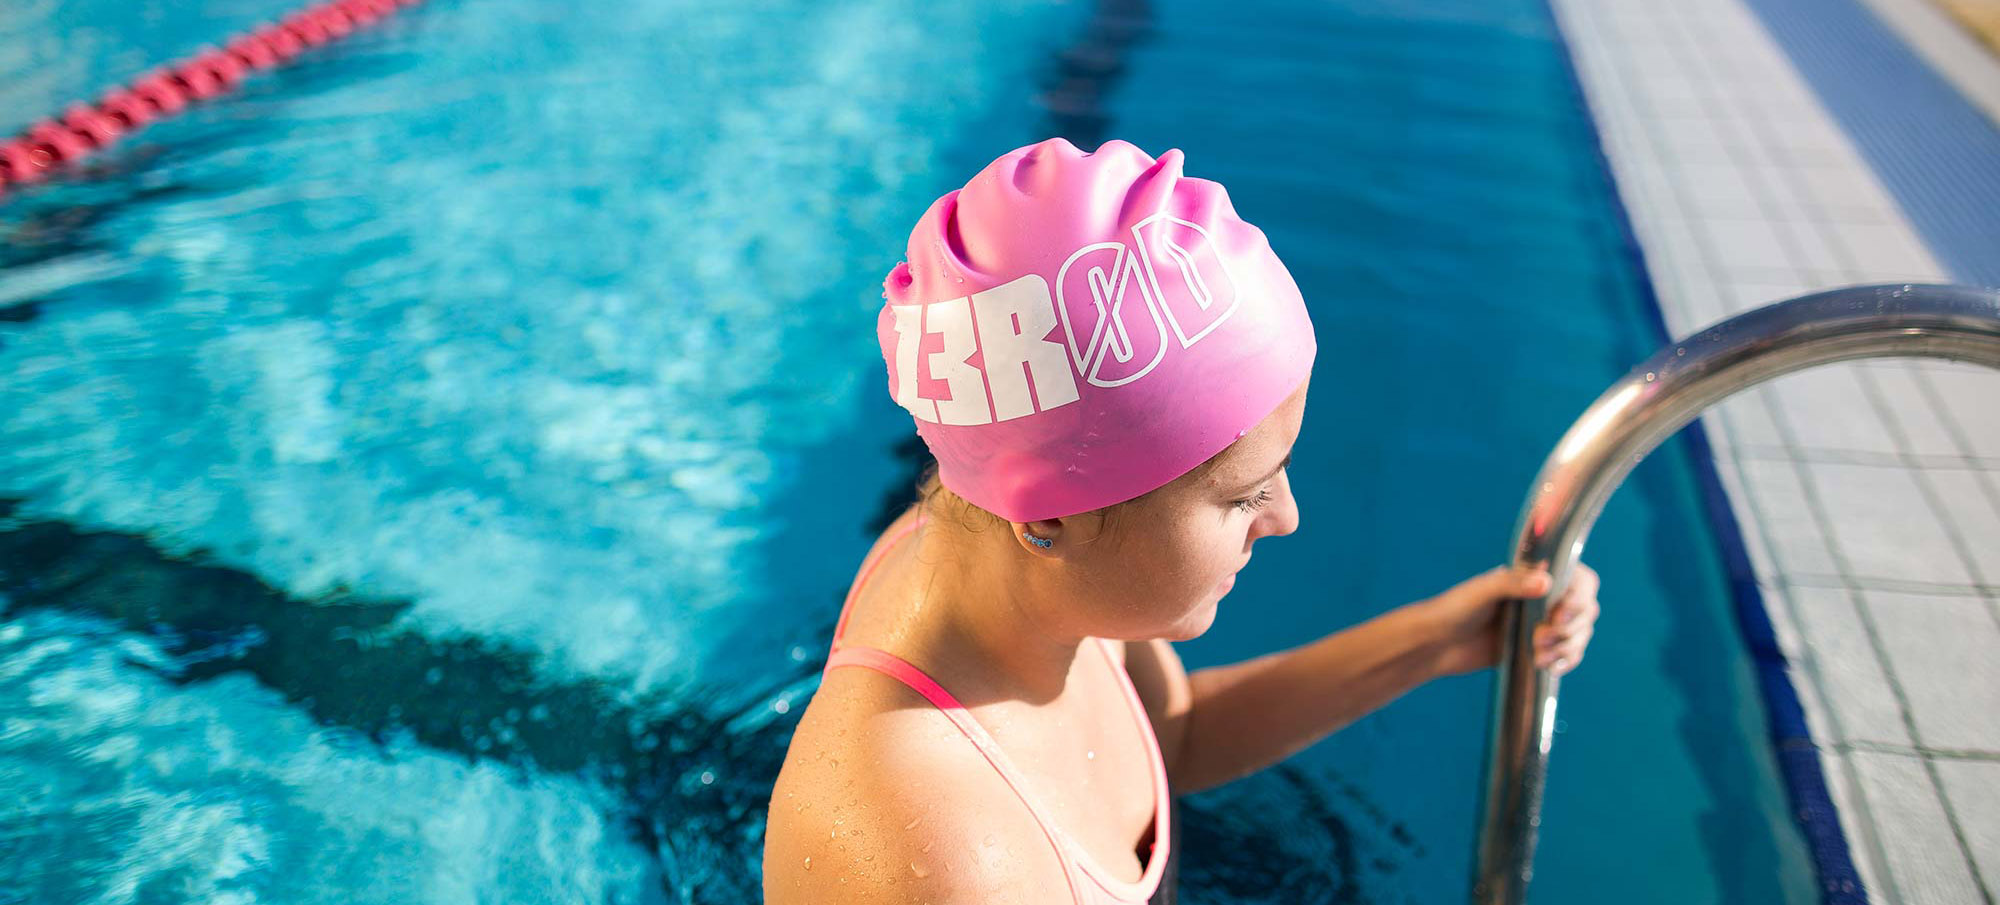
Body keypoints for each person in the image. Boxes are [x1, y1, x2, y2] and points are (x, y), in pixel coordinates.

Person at [762, 137, 1602, 904]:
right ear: (1049, 515)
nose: (1286, 518)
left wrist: (1437, 640)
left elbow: (1174, 735)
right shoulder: (941, 858)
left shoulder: (1009, 567)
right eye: (1242, 495)